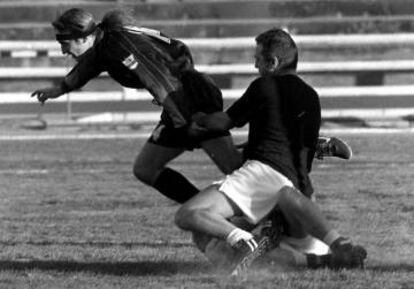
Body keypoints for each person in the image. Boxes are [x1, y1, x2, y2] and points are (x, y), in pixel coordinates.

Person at [31, 8, 352, 207]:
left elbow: (156, 77)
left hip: (189, 101)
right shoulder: (106, 41)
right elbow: (92, 66)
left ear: (83, 36)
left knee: (230, 165)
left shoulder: (117, 46)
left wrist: (180, 112)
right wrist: (58, 89)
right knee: (147, 168)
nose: (63, 50)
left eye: (65, 43)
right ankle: (202, 208)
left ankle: (306, 149)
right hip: (178, 100)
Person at [174, 28, 367, 275]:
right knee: (276, 223)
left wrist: (199, 118)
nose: (255, 66)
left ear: (273, 62)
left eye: (258, 59)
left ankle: (242, 243)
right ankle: (317, 257)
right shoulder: (311, 96)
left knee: (190, 216)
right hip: (299, 194)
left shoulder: (264, 85)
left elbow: (224, 122)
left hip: (262, 175)